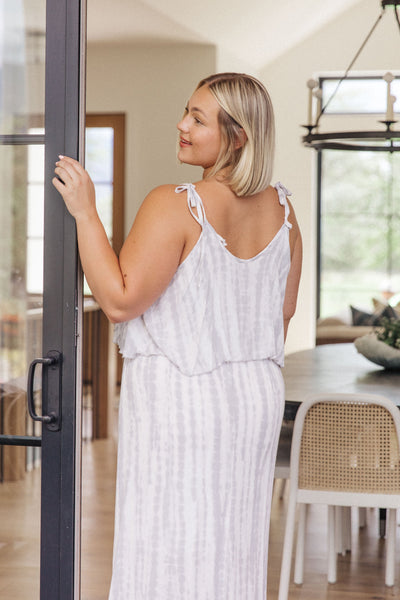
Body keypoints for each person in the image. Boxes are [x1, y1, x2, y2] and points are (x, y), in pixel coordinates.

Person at [53, 72, 302, 600]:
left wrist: (85, 212)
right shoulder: (283, 212)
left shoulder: (176, 202)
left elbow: (120, 300)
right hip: (256, 399)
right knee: (233, 545)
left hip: (182, 400)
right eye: (186, 111)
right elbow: (282, 315)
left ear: (238, 136)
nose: (181, 125)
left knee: (167, 542)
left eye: (197, 118)